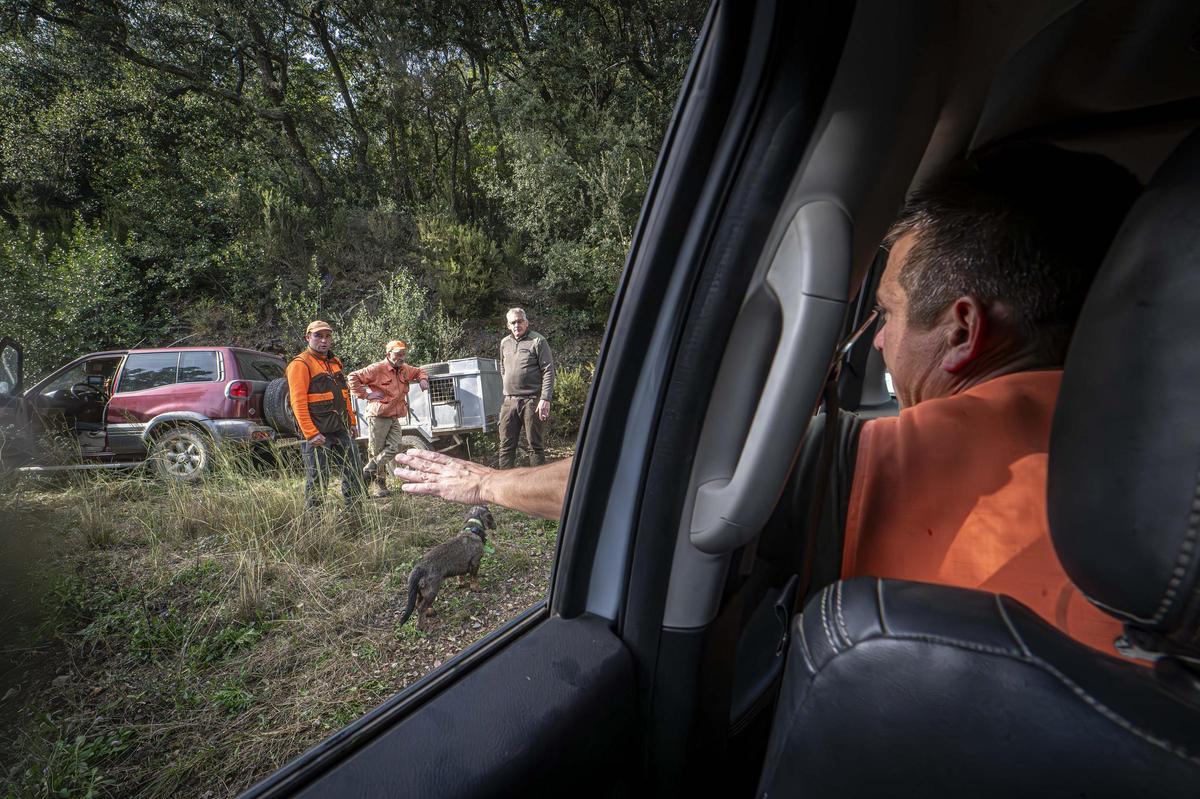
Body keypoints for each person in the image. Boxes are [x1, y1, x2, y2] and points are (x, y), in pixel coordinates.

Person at [396, 144, 1141, 657]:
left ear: (963, 330)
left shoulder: (883, 460)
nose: (876, 341)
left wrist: (481, 482)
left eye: (884, 314)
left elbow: (663, 479)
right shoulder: (1147, 449)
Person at [286, 320, 365, 510]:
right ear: (308, 337)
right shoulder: (300, 364)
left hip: (341, 429)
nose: (324, 340)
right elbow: (297, 402)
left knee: (354, 471)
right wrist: (311, 433)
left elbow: (345, 396)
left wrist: (352, 422)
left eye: (327, 336)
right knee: (318, 477)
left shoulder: (335, 363)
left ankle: (355, 515)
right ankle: (316, 523)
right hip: (316, 432)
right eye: (318, 336)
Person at [347, 340, 429, 498]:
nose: (401, 356)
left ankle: (367, 472)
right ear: (388, 354)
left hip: (394, 416)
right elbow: (353, 377)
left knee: (394, 446)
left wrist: (423, 379)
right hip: (378, 416)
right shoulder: (377, 368)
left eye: (403, 353)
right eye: (398, 353)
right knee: (376, 451)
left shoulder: (405, 369)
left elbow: (419, 371)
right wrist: (366, 394)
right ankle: (379, 487)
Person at [498, 308, 555, 468]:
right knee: (505, 446)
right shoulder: (504, 343)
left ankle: (537, 488)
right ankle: (504, 487)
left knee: (535, 446)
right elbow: (503, 368)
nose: (517, 325)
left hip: (532, 401)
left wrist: (545, 399)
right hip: (509, 402)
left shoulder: (538, 341)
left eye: (520, 321)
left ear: (526, 322)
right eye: (513, 322)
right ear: (508, 325)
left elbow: (548, 370)